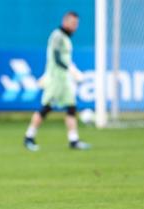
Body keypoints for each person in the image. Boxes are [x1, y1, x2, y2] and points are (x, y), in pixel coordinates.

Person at [23, 11, 90, 151]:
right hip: (55, 79)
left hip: (64, 79)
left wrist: (71, 70)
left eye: (76, 24)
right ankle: (29, 137)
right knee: (46, 107)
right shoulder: (57, 36)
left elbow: (65, 59)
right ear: (64, 21)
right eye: (72, 23)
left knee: (71, 108)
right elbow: (57, 58)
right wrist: (72, 70)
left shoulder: (65, 38)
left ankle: (73, 140)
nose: (74, 26)